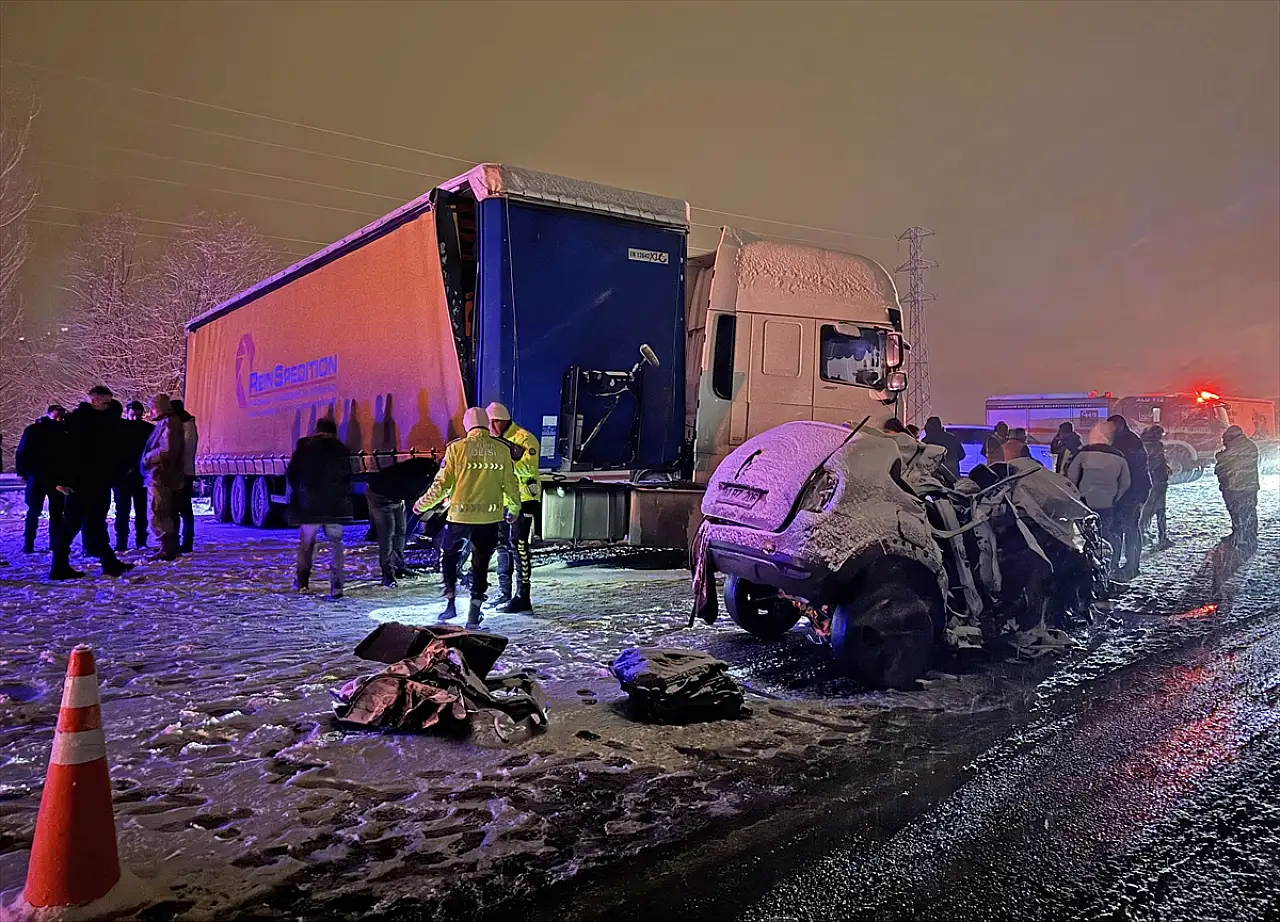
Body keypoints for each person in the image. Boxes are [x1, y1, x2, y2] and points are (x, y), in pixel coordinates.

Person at [412, 407, 521, 629]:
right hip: (489, 519)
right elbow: (510, 484)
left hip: (459, 518)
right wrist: (514, 508)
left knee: (449, 558)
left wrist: (421, 504)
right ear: (486, 424)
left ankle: (450, 603)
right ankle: (474, 613)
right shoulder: (501, 450)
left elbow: (441, 485)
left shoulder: (456, 449)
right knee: (480, 565)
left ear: (467, 425)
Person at [52, 386, 134, 580]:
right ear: (94, 401)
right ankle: (61, 565)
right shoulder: (82, 422)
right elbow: (71, 453)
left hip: (93, 481)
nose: (108, 405)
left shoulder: (88, 420)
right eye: (105, 402)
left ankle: (108, 562)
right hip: (84, 482)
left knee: (92, 523)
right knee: (74, 524)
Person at [286, 418, 352, 599]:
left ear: (317, 430)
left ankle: (303, 583)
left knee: (307, 544)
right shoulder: (340, 449)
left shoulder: (304, 447)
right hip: (335, 507)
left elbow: (291, 474)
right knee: (336, 545)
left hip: (309, 506)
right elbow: (347, 476)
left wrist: (301, 494)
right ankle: (337, 585)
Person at [487, 402, 543, 612]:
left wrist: (505, 463)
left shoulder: (525, 439)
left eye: (491, 423)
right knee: (502, 545)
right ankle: (504, 593)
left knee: (518, 546)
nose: (489, 428)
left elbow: (529, 468)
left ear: (498, 421)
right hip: (504, 500)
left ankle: (522, 597)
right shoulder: (497, 440)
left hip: (525, 499)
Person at [1067, 421, 1131, 577]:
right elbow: (1125, 483)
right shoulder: (1119, 458)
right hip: (1107, 505)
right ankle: (1108, 569)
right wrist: (1114, 498)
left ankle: (1086, 569)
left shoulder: (1083, 455)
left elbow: (1070, 479)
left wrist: (1076, 497)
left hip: (1084, 505)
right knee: (1106, 537)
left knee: (1083, 537)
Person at [363, 457, 437, 587]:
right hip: (381, 496)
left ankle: (399, 566)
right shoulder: (422, 476)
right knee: (387, 536)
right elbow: (417, 499)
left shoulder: (429, 471)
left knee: (401, 532)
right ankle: (388, 575)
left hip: (397, 496)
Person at [15, 405, 68, 554]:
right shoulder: (63, 431)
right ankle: (50, 544)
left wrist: (22, 472)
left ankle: (30, 544)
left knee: (38, 511)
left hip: (40, 476)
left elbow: (22, 451)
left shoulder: (35, 429)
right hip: (51, 476)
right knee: (53, 512)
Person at [1107, 415, 1152, 581]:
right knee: (1118, 529)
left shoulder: (1129, 442)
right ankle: (1116, 564)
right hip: (1122, 492)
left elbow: (1136, 469)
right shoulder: (1119, 441)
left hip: (1132, 492)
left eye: (1113, 426)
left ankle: (1132, 565)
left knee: (1130, 528)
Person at [141, 394, 185, 561]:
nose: (151, 412)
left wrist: (148, 458)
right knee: (162, 511)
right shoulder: (165, 423)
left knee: (158, 511)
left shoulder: (169, 423)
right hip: (159, 473)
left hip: (161, 474)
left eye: (153, 408)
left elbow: (167, 450)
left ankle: (167, 548)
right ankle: (167, 546)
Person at [114, 401, 154, 553]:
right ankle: (127, 541)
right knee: (125, 511)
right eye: (133, 415)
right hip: (130, 476)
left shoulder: (120, 428)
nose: (135, 418)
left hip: (132, 475)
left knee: (135, 511)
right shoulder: (148, 429)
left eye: (137, 415)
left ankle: (132, 541)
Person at [1215, 425, 1259, 553]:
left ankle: (1245, 538)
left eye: (1225, 439)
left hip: (1240, 487)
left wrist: (1219, 455)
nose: (1224, 442)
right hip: (1239, 486)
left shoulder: (1242, 446)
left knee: (1243, 512)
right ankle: (1241, 535)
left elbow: (1224, 459)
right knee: (1239, 512)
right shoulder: (1246, 445)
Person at [170, 399, 199, 554]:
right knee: (183, 509)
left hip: (182, 473)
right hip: (184, 472)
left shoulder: (186, 426)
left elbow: (182, 450)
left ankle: (184, 541)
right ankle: (183, 541)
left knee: (180, 509)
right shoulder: (186, 425)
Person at [1140, 425, 1172, 548]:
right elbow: (1153, 464)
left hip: (1154, 481)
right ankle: (1159, 537)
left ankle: (1147, 534)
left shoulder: (1145, 444)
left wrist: (1165, 467)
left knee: (1151, 510)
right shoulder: (1154, 446)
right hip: (1157, 482)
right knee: (1156, 510)